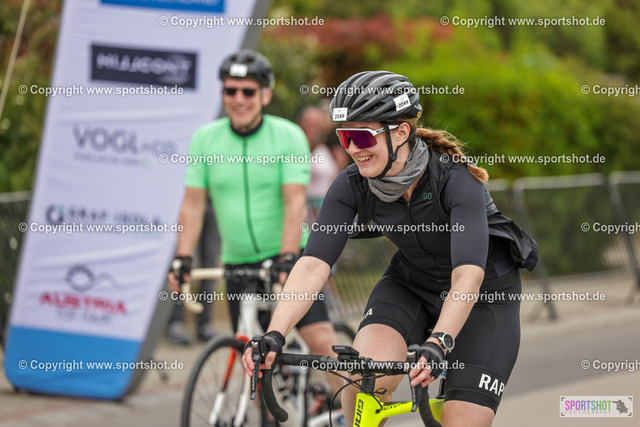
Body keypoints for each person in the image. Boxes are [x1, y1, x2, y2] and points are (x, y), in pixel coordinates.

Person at [242, 71, 532, 426]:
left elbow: (468, 276)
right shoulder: (352, 184)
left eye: (362, 136)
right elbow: (313, 264)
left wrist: (439, 341)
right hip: (411, 284)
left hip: (484, 295)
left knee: (461, 420)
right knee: (361, 381)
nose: (353, 149)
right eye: (345, 137)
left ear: (401, 132)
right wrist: (275, 333)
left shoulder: (456, 180)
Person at [167, 50, 340, 380]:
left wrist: (287, 257)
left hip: (288, 256)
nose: (239, 99)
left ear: (265, 95)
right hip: (239, 263)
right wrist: (183, 257)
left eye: (248, 91)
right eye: (230, 90)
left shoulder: (288, 135)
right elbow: (192, 204)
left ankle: (346, 405)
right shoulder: (206, 139)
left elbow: (294, 202)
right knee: (255, 363)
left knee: (320, 339)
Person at [167, 195, 220, 345]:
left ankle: (205, 324)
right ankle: (176, 323)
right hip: (187, 200)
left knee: (210, 265)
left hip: (214, 201)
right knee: (184, 265)